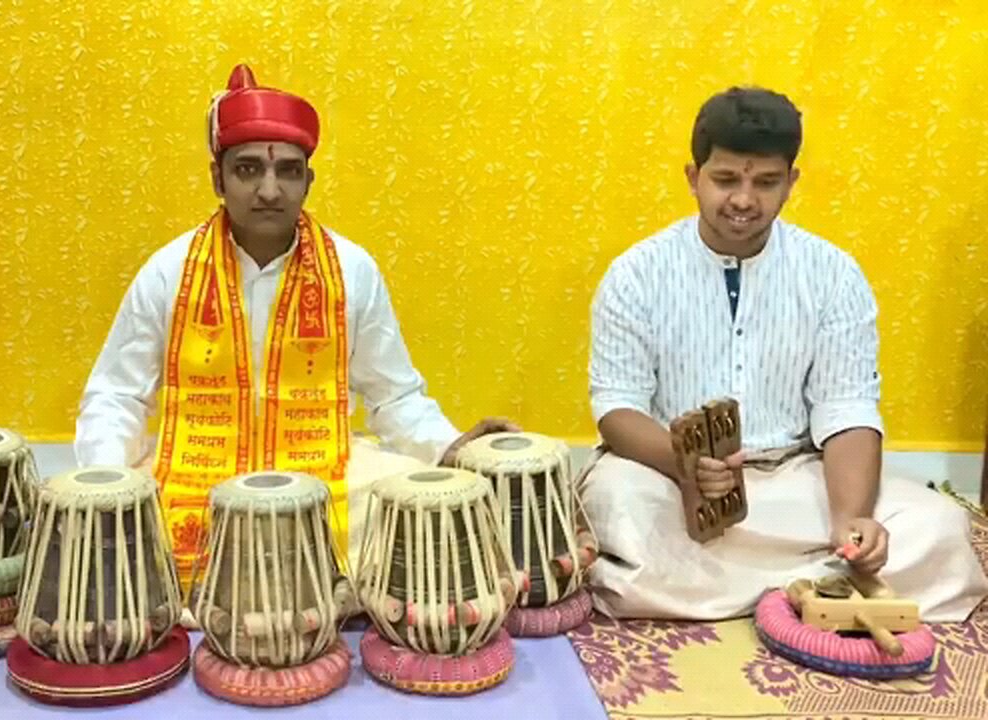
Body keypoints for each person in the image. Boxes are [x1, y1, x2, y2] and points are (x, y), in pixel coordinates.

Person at [75, 63, 516, 586]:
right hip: (196, 476)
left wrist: (451, 448)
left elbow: (394, 398)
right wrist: (104, 482)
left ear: (308, 179)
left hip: (325, 472)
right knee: (105, 517)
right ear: (217, 178)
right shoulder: (170, 271)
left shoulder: (351, 270)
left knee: (431, 503)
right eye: (247, 170)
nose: (269, 189)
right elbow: (118, 396)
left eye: (287, 170)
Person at [581, 86, 988, 622]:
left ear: (791, 183)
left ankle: (743, 586)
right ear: (693, 177)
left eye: (766, 182)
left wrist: (850, 520)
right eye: (726, 179)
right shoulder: (635, 273)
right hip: (672, 481)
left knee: (937, 526)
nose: (744, 200)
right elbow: (617, 408)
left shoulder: (833, 274)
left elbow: (847, 409)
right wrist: (688, 469)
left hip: (794, 478)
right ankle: (820, 585)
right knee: (619, 501)